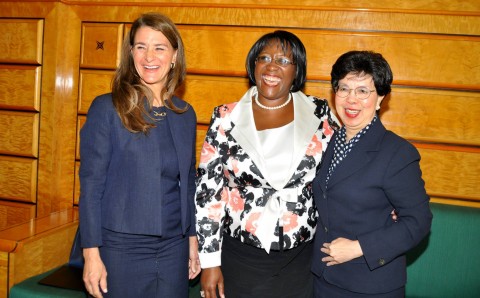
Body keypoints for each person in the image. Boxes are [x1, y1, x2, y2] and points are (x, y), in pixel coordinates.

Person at [195, 30, 340, 298]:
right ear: (253, 65)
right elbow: (209, 193)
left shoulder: (321, 114)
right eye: (264, 57)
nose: (272, 66)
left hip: (301, 259)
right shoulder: (225, 117)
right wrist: (210, 261)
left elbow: (346, 168)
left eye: (284, 61)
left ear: (297, 71)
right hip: (241, 256)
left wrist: (381, 204)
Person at [79, 12, 200, 298]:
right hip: (120, 249)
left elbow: (189, 183)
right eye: (141, 46)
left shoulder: (185, 114)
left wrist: (192, 239)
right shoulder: (107, 108)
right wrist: (91, 255)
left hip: (174, 247)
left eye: (159, 47)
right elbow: (91, 186)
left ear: (174, 56)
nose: (149, 56)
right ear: (130, 53)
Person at [311, 50, 433, 297]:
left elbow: (419, 221)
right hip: (321, 278)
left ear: (380, 98)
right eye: (344, 88)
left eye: (363, 91)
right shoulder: (327, 141)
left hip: (369, 284)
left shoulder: (397, 153)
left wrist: (359, 248)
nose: (351, 99)